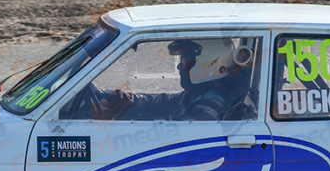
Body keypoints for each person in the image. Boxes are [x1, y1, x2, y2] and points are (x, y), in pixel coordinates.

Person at [81, 38, 256, 121]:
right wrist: (122, 100)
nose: (180, 66)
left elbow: (171, 132)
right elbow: (164, 102)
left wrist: (113, 124)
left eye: (183, 60)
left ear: (206, 61)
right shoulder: (204, 92)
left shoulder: (210, 105)